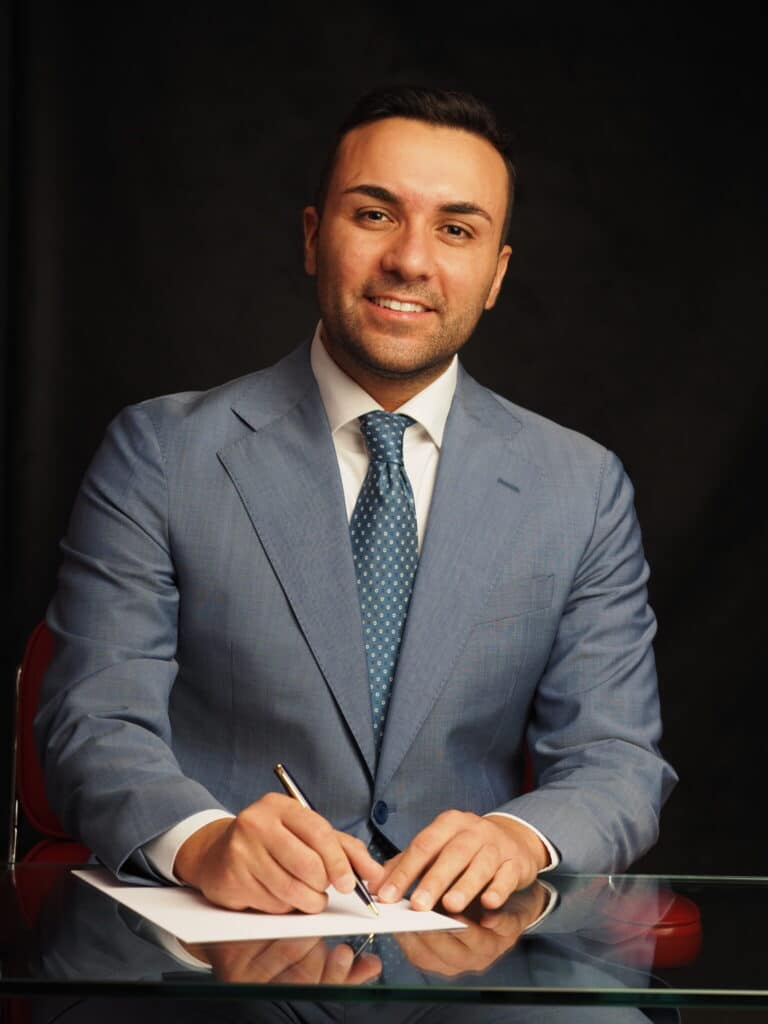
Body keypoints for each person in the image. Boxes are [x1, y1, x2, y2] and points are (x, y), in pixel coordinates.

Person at [36, 86, 677, 920]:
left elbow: (616, 761)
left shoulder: (582, 489)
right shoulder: (160, 453)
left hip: (471, 948)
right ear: (313, 236)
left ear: (496, 274)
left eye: (456, 230)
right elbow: (91, 722)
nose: (410, 260)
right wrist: (200, 842)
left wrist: (520, 839)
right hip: (214, 939)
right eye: (375, 215)